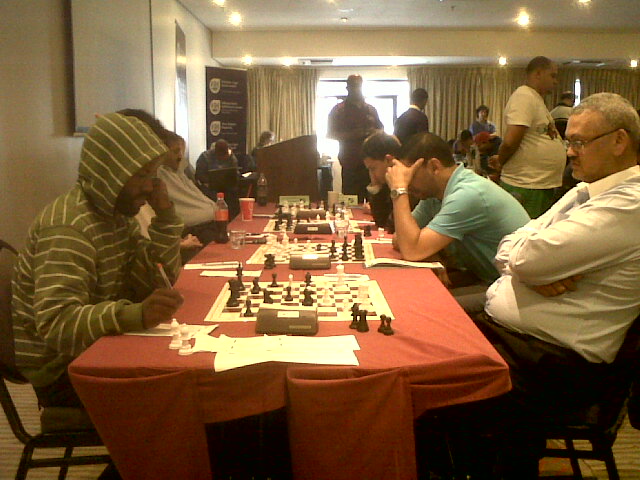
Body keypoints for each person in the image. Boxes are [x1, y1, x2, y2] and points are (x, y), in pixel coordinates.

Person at [473, 93, 640, 479]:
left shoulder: (628, 205)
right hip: (525, 345)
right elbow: (513, 244)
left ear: (619, 141)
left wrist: (524, 265)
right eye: (569, 141)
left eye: (580, 142)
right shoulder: (585, 191)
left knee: (438, 381)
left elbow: (528, 257)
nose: (569, 152)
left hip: (556, 365)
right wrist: (524, 270)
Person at [11, 113, 184, 408]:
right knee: (180, 391)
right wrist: (135, 315)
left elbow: (157, 278)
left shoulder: (115, 216)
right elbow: (56, 325)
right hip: (61, 370)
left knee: (187, 378)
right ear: (111, 173)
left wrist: (165, 216)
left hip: (94, 347)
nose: (151, 187)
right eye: (142, 175)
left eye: (154, 175)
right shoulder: (69, 227)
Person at [386, 132, 530, 312]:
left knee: (422, 309)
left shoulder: (468, 194)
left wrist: (398, 189)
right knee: (407, 294)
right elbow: (400, 239)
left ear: (434, 166)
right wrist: (432, 256)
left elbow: (411, 250)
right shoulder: (434, 194)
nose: (407, 183)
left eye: (410, 176)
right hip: (485, 278)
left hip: (515, 289)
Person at [489, 56, 567, 218]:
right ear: (538, 73)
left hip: (538, 184)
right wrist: (500, 162)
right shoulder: (524, 96)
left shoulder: (535, 99)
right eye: (552, 75)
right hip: (526, 185)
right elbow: (511, 141)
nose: (556, 81)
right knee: (526, 231)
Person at [327, 74, 383, 202]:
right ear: (348, 87)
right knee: (351, 201)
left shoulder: (371, 109)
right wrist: (354, 135)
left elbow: (381, 129)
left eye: (358, 85)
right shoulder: (338, 110)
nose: (356, 88)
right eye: (353, 85)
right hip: (350, 162)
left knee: (373, 200)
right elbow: (330, 133)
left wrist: (373, 132)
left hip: (371, 163)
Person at [361, 131, 402, 233]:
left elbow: (392, 226)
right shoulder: (386, 183)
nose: (372, 175)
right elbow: (381, 222)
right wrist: (375, 186)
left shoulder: (408, 184)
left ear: (388, 160)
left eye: (373, 168)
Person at [195, 139, 240, 218]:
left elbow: (235, 173)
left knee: (234, 193)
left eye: (225, 155)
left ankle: (234, 218)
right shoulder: (205, 157)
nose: (223, 158)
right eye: (220, 155)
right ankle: (217, 217)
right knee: (211, 194)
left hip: (227, 186)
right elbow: (199, 176)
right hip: (210, 186)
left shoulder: (231, 157)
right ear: (215, 151)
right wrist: (211, 180)